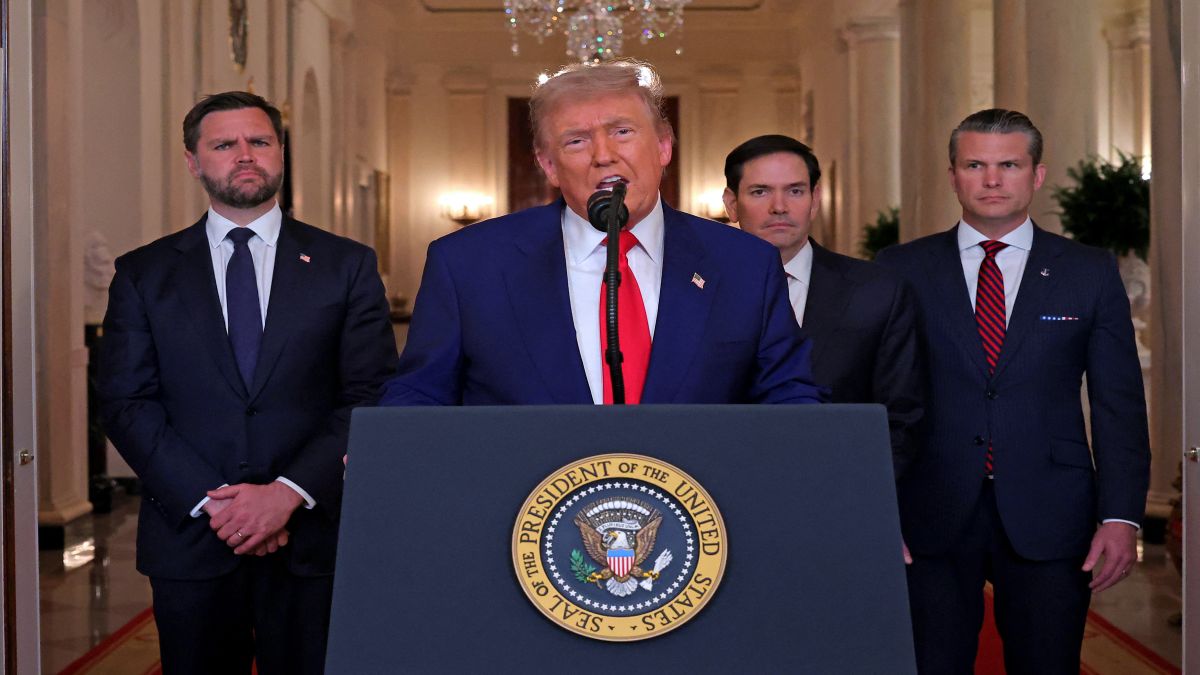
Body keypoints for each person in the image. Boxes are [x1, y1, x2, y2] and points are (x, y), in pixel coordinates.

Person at [98, 91, 398, 674]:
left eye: (259, 141)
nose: (244, 155)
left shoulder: (347, 264)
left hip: (312, 537)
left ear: (280, 153)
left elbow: (369, 395)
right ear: (193, 161)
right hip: (191, 537)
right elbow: (126, 402)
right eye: (223, 143)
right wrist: (220, 507)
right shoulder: (144, 272)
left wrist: (286, 493)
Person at [875, 109, 1150, 673]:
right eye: (975, 164)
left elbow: (1118, 403)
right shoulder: (900, 269)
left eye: (1008, 165)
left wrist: (1122, 516)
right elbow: (875, 399)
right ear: (953, 175)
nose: (992, 179)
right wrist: (872, 508)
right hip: (928, 510)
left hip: (1052, 510)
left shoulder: (1088, 271)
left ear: (1037, 175)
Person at [379, 60, 822, 406]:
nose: (603, 156)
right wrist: (383, 449)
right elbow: (421, 394)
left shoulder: (743, 263)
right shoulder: (468, 264)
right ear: (548, 165)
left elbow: (787, 396)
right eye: (576, 141)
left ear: (664, 146)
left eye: (622, 132)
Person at [723, 135, 923, 479]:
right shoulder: (693, 291)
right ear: (731, 203)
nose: (779, 206)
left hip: (842, 494)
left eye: (795, 191)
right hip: (716, 498)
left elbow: (902, 419)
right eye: (760, 192)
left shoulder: (878, 292)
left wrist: (862, 502)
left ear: (815, 199)